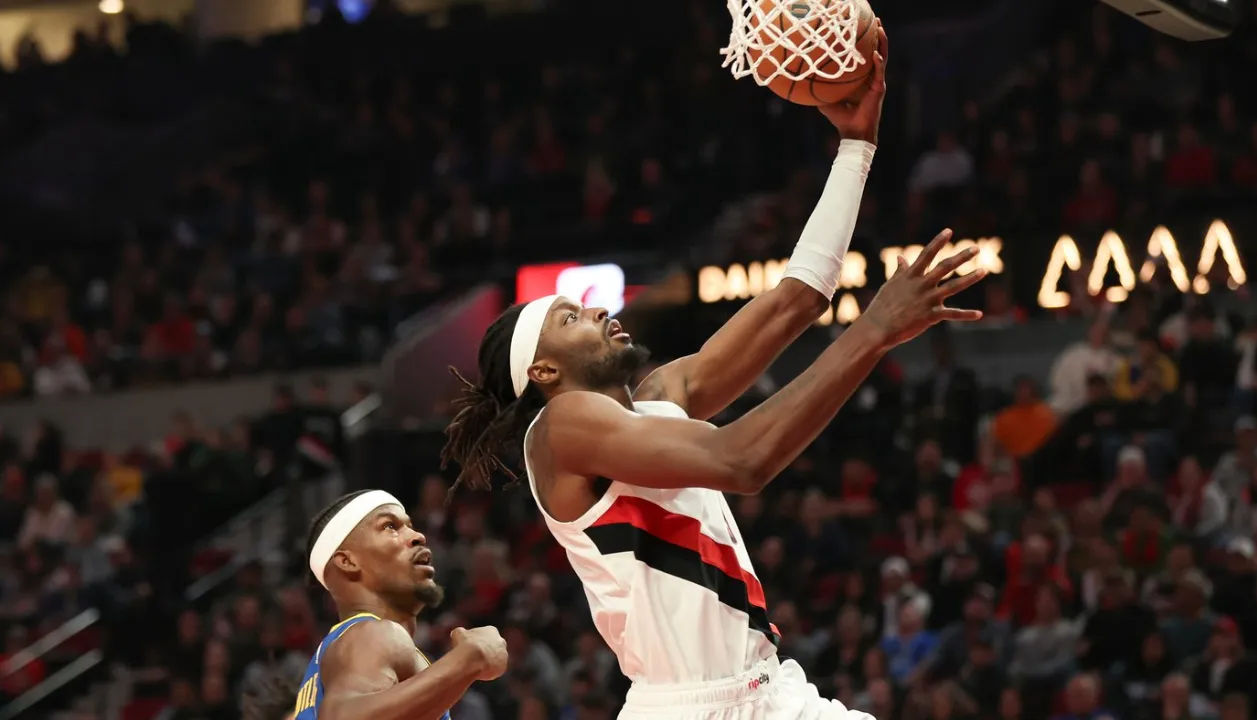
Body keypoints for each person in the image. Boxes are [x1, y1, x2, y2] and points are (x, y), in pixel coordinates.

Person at [443, 26, 987, 719]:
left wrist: (856, 147)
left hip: (769, 690)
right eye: (571, 317)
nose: (597, 309)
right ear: (544, 369)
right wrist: (874, 332)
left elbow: (798, 299)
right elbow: (743, 460)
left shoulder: (659, 398)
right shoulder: (560, 429)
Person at [289, 490, 508, 720]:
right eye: (390, 526)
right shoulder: (372, 634)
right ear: (348, 561)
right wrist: (470, 657)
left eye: (410, 525)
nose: (418, 536)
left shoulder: (339, 653)